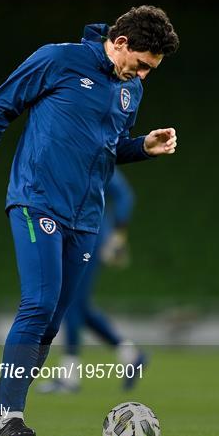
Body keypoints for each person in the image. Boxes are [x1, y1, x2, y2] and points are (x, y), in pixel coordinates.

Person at [0, 5, 179, 436]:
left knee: (52, 323)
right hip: (36, 200)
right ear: (120, 43)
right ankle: (12, 417)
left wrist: (143, 148)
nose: (144, 75)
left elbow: (108, 150)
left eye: (152, 71)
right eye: (142, 64)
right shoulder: (58, 59)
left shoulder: (130, 91)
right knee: (37, 304)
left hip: (86, 218)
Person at [37, 167, 146, 394]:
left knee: (71, 304)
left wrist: (118, 237)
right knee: (79, 307)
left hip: (91, 237)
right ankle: (131, 356)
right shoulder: (66, 154)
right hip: (72, 234)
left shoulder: (94, 155)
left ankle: (69, 377)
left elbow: (125, 195)